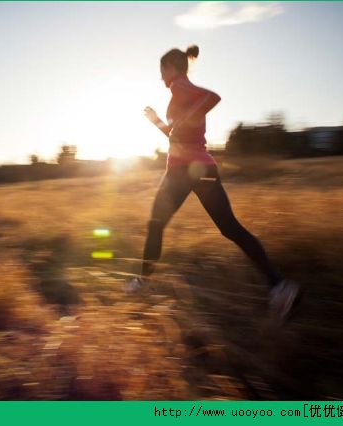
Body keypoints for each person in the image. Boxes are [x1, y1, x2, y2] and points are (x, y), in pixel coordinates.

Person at [125, 45, 299, 319]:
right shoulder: (180, 92)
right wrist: (158, 120)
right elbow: (175, 134)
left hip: (183, 171)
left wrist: (184, 120)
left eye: (162, 71)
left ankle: (141, 282)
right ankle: (279, 286)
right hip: (202, 168)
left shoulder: (181, 87)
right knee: (231, 228)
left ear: (172, 68)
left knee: (155, 224)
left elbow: (212, 97)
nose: (161, 78)